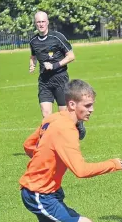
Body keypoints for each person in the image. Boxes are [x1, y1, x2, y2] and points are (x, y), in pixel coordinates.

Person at [8, 79, 122, 222]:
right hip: (38, 193)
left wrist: (45, 160)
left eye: (92, 105)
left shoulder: (53, 118)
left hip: (47, 189)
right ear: (72, 104)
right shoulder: (66, 130)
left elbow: (29, 145)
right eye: (87, 105)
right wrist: (111, 164)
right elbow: (80, 171)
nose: (92, 109)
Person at [29, 11, 86, 140]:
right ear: (35, 24)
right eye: (38, 22)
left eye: (43, 21)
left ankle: (78, 124)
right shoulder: (33, 41)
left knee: (64, 115)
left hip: (60, 79)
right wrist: (32, 64)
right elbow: (33, 56)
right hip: (44, 81)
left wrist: (54, 66)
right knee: (46, 113)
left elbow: (71, 56)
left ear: (48, 22)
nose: (41, 24)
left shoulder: (57, 37)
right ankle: (51, 142)